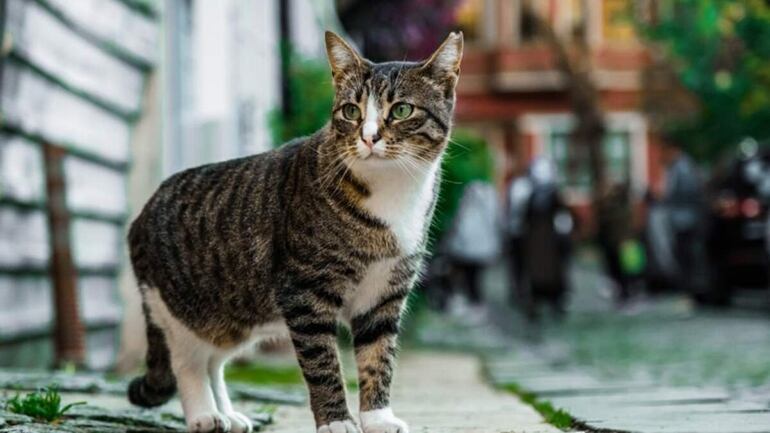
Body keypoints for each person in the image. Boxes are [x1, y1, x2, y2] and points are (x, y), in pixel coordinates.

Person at [520, 158, 573, 319]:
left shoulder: (553, 196)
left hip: (550, 244)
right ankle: (540, 303)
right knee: (540, 276)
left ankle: (554, 303)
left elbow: (565, 219)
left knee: (552, 275)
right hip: (539, 244)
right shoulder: (535, 196)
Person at [443, 180, 502, 318]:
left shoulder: (472, 196)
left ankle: (476, 306)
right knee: (472, 277)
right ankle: (473, 305)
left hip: (470, 247)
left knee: (472, 278)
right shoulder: (488, 196)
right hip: (477, 247)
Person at [659, 140, 706, 295]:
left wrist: (666, 197)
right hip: (682, 218)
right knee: (683, 255)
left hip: (685, 219)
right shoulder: (679, 167)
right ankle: (687, 288)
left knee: (686, 255)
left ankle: (689, 289)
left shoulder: (683, 167)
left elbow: (689, 191)